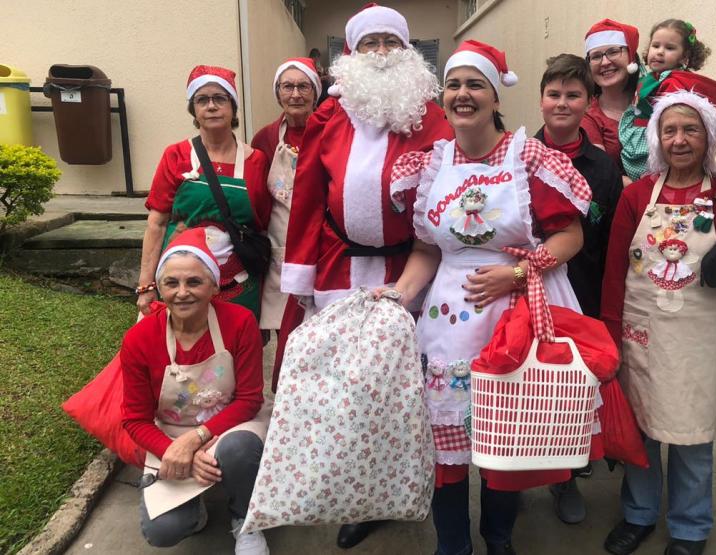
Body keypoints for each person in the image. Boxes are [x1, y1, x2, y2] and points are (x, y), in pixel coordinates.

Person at [388, 39, 592, 555]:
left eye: (474, 84)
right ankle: (452, 545)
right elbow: (426, 249)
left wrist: (518, 272)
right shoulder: (432, 164)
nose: (462, 95)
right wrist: (398, 295)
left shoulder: (528, 157)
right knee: (446, 448)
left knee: (505, 444)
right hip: (446, 320)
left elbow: (570, 237)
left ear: (496, 96)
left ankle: (498, 538)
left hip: (514, 318)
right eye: (453, 85)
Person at [279, 3, 453, 548]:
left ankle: (411, 482)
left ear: (407, 51)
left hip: (411, 268)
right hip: (339, 267)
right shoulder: (329, 118)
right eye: (369, 43)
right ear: (350, 54)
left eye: (390, 42)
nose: (380, 53)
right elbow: (307, 200)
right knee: (348, 390)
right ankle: (359, 494)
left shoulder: (432, 117)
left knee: (410, 387)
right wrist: (301, 278)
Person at [600, 79, 716, 555]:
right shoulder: (637, 195)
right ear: (657, 137)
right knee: (640, 431)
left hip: (701, 338)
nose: (679, 140)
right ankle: (638, 514)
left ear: (709, 135)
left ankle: (691, 527)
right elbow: (616, 270)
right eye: (670, 130)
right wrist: (610, 337)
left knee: (693, 439)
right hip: (642, 335)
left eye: (691, 130)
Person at [121, 228, 270, 554]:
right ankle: (194, 511)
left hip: (231, 425)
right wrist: (177, 452)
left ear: (215, 285)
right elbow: (134, 419)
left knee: (240, 450)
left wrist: (195, 439)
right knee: (163, 531)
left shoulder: (240, 322)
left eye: (194, 282)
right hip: (171, 435)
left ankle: (244, 518)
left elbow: (248, 400)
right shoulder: (139, 339)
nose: (182, 293)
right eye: (171, 283)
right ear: (159, 288)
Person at [533, 52, 623, 524]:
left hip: (582, 291)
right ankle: (516, 474)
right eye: (554, 94)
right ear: (541, 99)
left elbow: (607, 241)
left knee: (570, 389)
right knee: (528, 385)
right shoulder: (516, 156)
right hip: (527, 288)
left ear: (589, 101)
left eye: (573, 95)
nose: (562, 103)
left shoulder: (603, 169)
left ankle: (565, 477)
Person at [137, 65, 271, 319]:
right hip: (180, 283)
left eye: (220, 98)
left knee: (236, 348)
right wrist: (146, 285)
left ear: (232, 108)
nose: (211, 106)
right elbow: (156, 224)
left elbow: (260, 226)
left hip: (240, 283)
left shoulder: (256, 161)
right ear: (194, 110)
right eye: (202, 100)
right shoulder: (175, 155)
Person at [250, 58, 322, 334]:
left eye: (303, 86)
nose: (295, 94)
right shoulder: (265, 138)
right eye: (287, 86)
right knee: (286, 328)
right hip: (280, 244)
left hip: (321, 242)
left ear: (315, 92)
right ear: (277, 92)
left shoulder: (330, 131)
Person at [619, 19, 712, 181]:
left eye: (669, 48)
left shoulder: (675, 83)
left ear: (684, 57)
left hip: (657, 140)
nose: (660, 52)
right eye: (656, 46)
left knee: (651, 175)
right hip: (641, 134)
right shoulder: (652, 77)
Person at [581, 19, 641, 175]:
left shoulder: (654, 99)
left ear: (631, 56)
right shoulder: (587, 116)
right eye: (596, 56)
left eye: (613, 51)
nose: (605, 62)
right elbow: (599, 174)